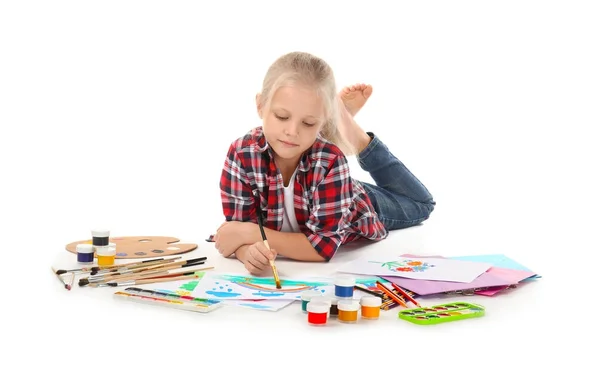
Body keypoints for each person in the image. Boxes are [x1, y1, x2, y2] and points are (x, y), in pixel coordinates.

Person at [213, 51, 435, 275]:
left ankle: (356, 136)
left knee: (422, 204)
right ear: (261, 105)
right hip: (325, 186)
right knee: (317, 156)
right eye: (282, 116)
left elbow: (321, 248)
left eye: (308, 123)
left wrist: (253, 235)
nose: (291, 132)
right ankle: (332, 126)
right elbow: (236, 234)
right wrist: (248, 253)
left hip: (355, 203)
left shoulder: (331, 161)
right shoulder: (242, 154)